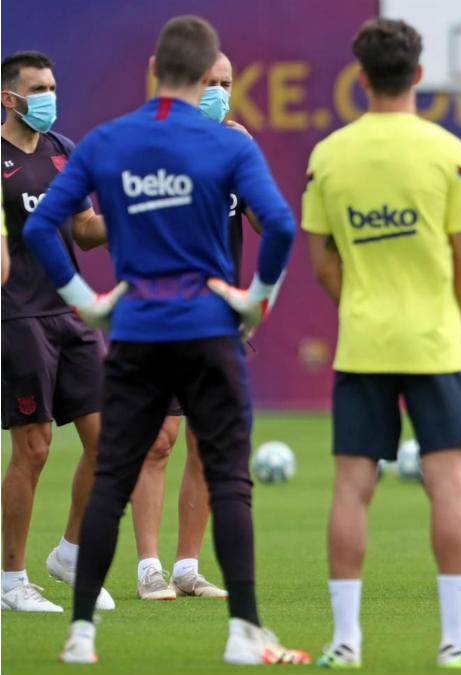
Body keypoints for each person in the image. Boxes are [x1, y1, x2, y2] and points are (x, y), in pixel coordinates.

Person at [22, 15, 306, 664]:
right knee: (232, 479)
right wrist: (254, 298)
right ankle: (243, 632)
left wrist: (86, 303)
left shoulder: (107, 140)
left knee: (112, 476)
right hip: (210, 328)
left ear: (153, 68)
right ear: (204, 71)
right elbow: (283, 228)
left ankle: (81, 632)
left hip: (136, 329)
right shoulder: (230, 146)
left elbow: (43, 228)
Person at [303, 18, 461, 669]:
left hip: (362, 340)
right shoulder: (448, 151)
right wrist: (444, 317)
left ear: (359, 78)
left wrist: (361, 307)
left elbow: (322, 262)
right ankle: (456, 641)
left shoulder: (328, 155)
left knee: (350, 487)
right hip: (434, 341)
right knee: (448, 485)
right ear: (419, 76)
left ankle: (344, 642)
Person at [128, 51, 258, 602]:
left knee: (208, 444)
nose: (220, 93)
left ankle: (187, 565)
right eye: (211, 83)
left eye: (227, 83)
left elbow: (261, 220)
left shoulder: (236, 145)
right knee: (159, 439)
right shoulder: (149, 142)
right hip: (159, 314)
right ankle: (149, 567)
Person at [1, 50, 116, 613]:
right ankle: (10, 580)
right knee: (35, 447)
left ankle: (70, 553)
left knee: (108, 439)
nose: (48, 97)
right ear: (9, 99)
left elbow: (87, 231)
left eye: (51, 86)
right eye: (37, 89)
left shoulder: (63, 152)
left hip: (70, 312)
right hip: (16, 315)